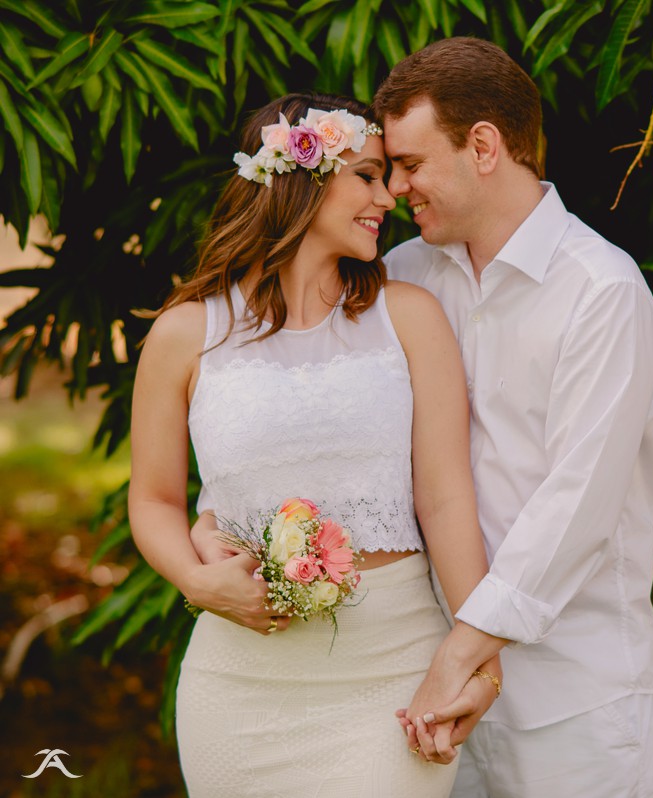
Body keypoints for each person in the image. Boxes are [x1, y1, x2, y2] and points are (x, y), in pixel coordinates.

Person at [128, 92, 499, 797]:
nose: (388, 197)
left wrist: (480, 661)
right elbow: (152, 498)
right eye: (365, 174)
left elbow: (447, 500)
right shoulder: (186, 332)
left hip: (391, 671)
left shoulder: (409, 318)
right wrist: (194, 578)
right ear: (301, 178)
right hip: (239, 683)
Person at [374, 37, 653, 797]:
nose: (394, 189)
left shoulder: (602, 292)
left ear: (483, 146)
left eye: (410, 164)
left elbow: (579, 504)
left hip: (576, 705)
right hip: (420, 689)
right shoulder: (402, 278)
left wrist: (462, 651)